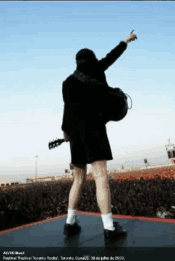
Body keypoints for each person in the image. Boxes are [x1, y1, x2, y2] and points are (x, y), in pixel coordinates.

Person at [61, 31, 137, 241]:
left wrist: (66, 131)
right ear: (92, 59)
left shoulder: (67, 83)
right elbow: (112, 57)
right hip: (94, 129)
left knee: (78, 179)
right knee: (100, 177)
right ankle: (109, 228)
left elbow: (67, 109)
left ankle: (70, 223)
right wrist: (125, 41)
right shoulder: (96, 69)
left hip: (75, 133)